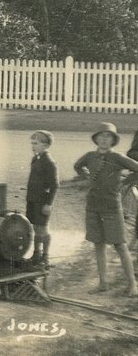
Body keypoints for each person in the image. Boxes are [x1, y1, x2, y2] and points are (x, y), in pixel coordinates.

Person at [73, 122, 138, 297]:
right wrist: (86, 176)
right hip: (93, 205)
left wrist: (126, 181)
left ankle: (133, 284)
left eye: (108, 136)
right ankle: (103, 283)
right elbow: (77, 166)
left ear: (113, 140)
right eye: (101, 135)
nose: (104, 139)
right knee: (98, 244)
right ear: (96, 138)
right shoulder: (89, 156)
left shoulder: (118, 158)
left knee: (120, 245)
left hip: (111, 206)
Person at [26, 130, 59, 266]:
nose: (33, 146)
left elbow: (55, 185)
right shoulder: (36, 158)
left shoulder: (48, 161)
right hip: (32, 199)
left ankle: (45, 256)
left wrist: (48, 204)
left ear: (45, 145)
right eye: (32, 143)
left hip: (42, 201)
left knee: (43, 228)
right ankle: (36, 254)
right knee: (35, 227)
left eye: (36, 143)